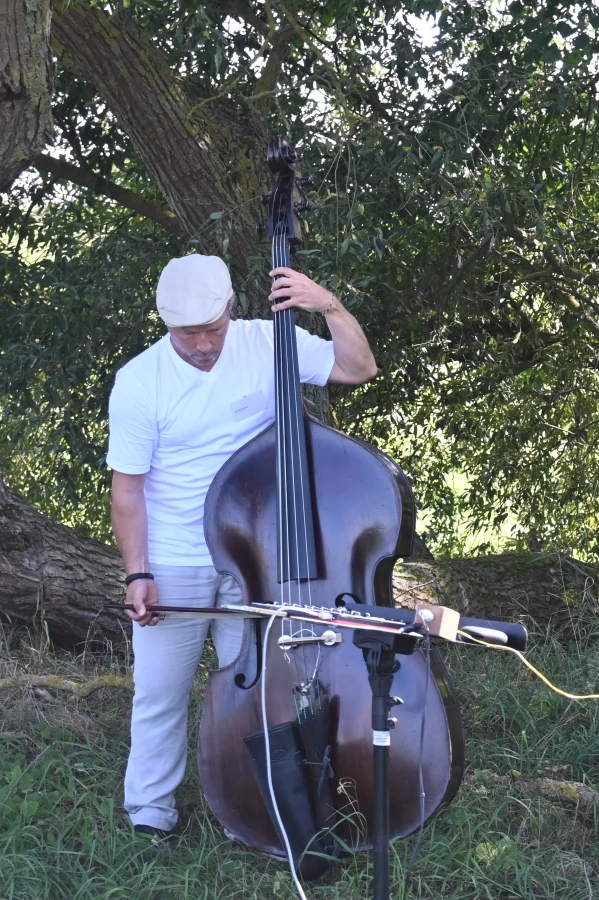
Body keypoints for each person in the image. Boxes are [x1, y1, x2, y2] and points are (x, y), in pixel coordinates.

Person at [105, 254, 379, 837]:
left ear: (232, 309)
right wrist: (137, 574)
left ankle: (253, 813)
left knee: (260, 693)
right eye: (188, 333)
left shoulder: (267, 343)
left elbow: (358, 368)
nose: (204, 344)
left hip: (257, 556)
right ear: (164, 323)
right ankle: (150, 814)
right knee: (160, 692)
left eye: (212, 328)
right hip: (176, 556)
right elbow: (127, 490)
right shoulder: (139, 382)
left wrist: (326, 304)